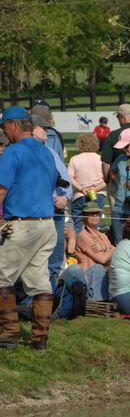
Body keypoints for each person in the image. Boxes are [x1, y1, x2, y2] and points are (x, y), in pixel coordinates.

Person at [0, 106, 58, 350]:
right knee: (39, 281)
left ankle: (9, 333)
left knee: (2, 277)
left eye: (4, 128)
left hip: (20, 226)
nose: (4, 134)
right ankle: (39, 339)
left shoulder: (13, 153)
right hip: (47, 225)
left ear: (13, 125)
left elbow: (1, 190)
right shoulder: (46, 152)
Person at [31, 115, 73, 291]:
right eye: (43, 128)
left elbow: (66, 179)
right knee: (37, 257)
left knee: (56, 256)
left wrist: (66, 197)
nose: (47, 131)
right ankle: (31, 298)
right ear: (31, 129)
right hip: (39, 212)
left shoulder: (51, 152)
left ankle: (52, 295)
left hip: (57, 210)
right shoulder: (23, 152)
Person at [64, 201, 114, 301]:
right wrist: (111, 249)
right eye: (91, 214)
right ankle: (97, 301)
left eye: (97, 214)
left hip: (101, 276)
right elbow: (102, 259)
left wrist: (105, 248)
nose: (95, 216)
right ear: (84, 217)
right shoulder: (82, 236)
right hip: (88, 277)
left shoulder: (103, 236)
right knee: (98, 267)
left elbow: (112, 254)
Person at [68, 133, 107, 233]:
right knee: (95, 225)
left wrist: (81, 188)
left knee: (78, 224)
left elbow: (70, 177)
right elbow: (107, 179)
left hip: (80, 195)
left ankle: (77, 246)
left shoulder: (74, 159)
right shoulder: (101, 159)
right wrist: (95, 189)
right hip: (98, 195)